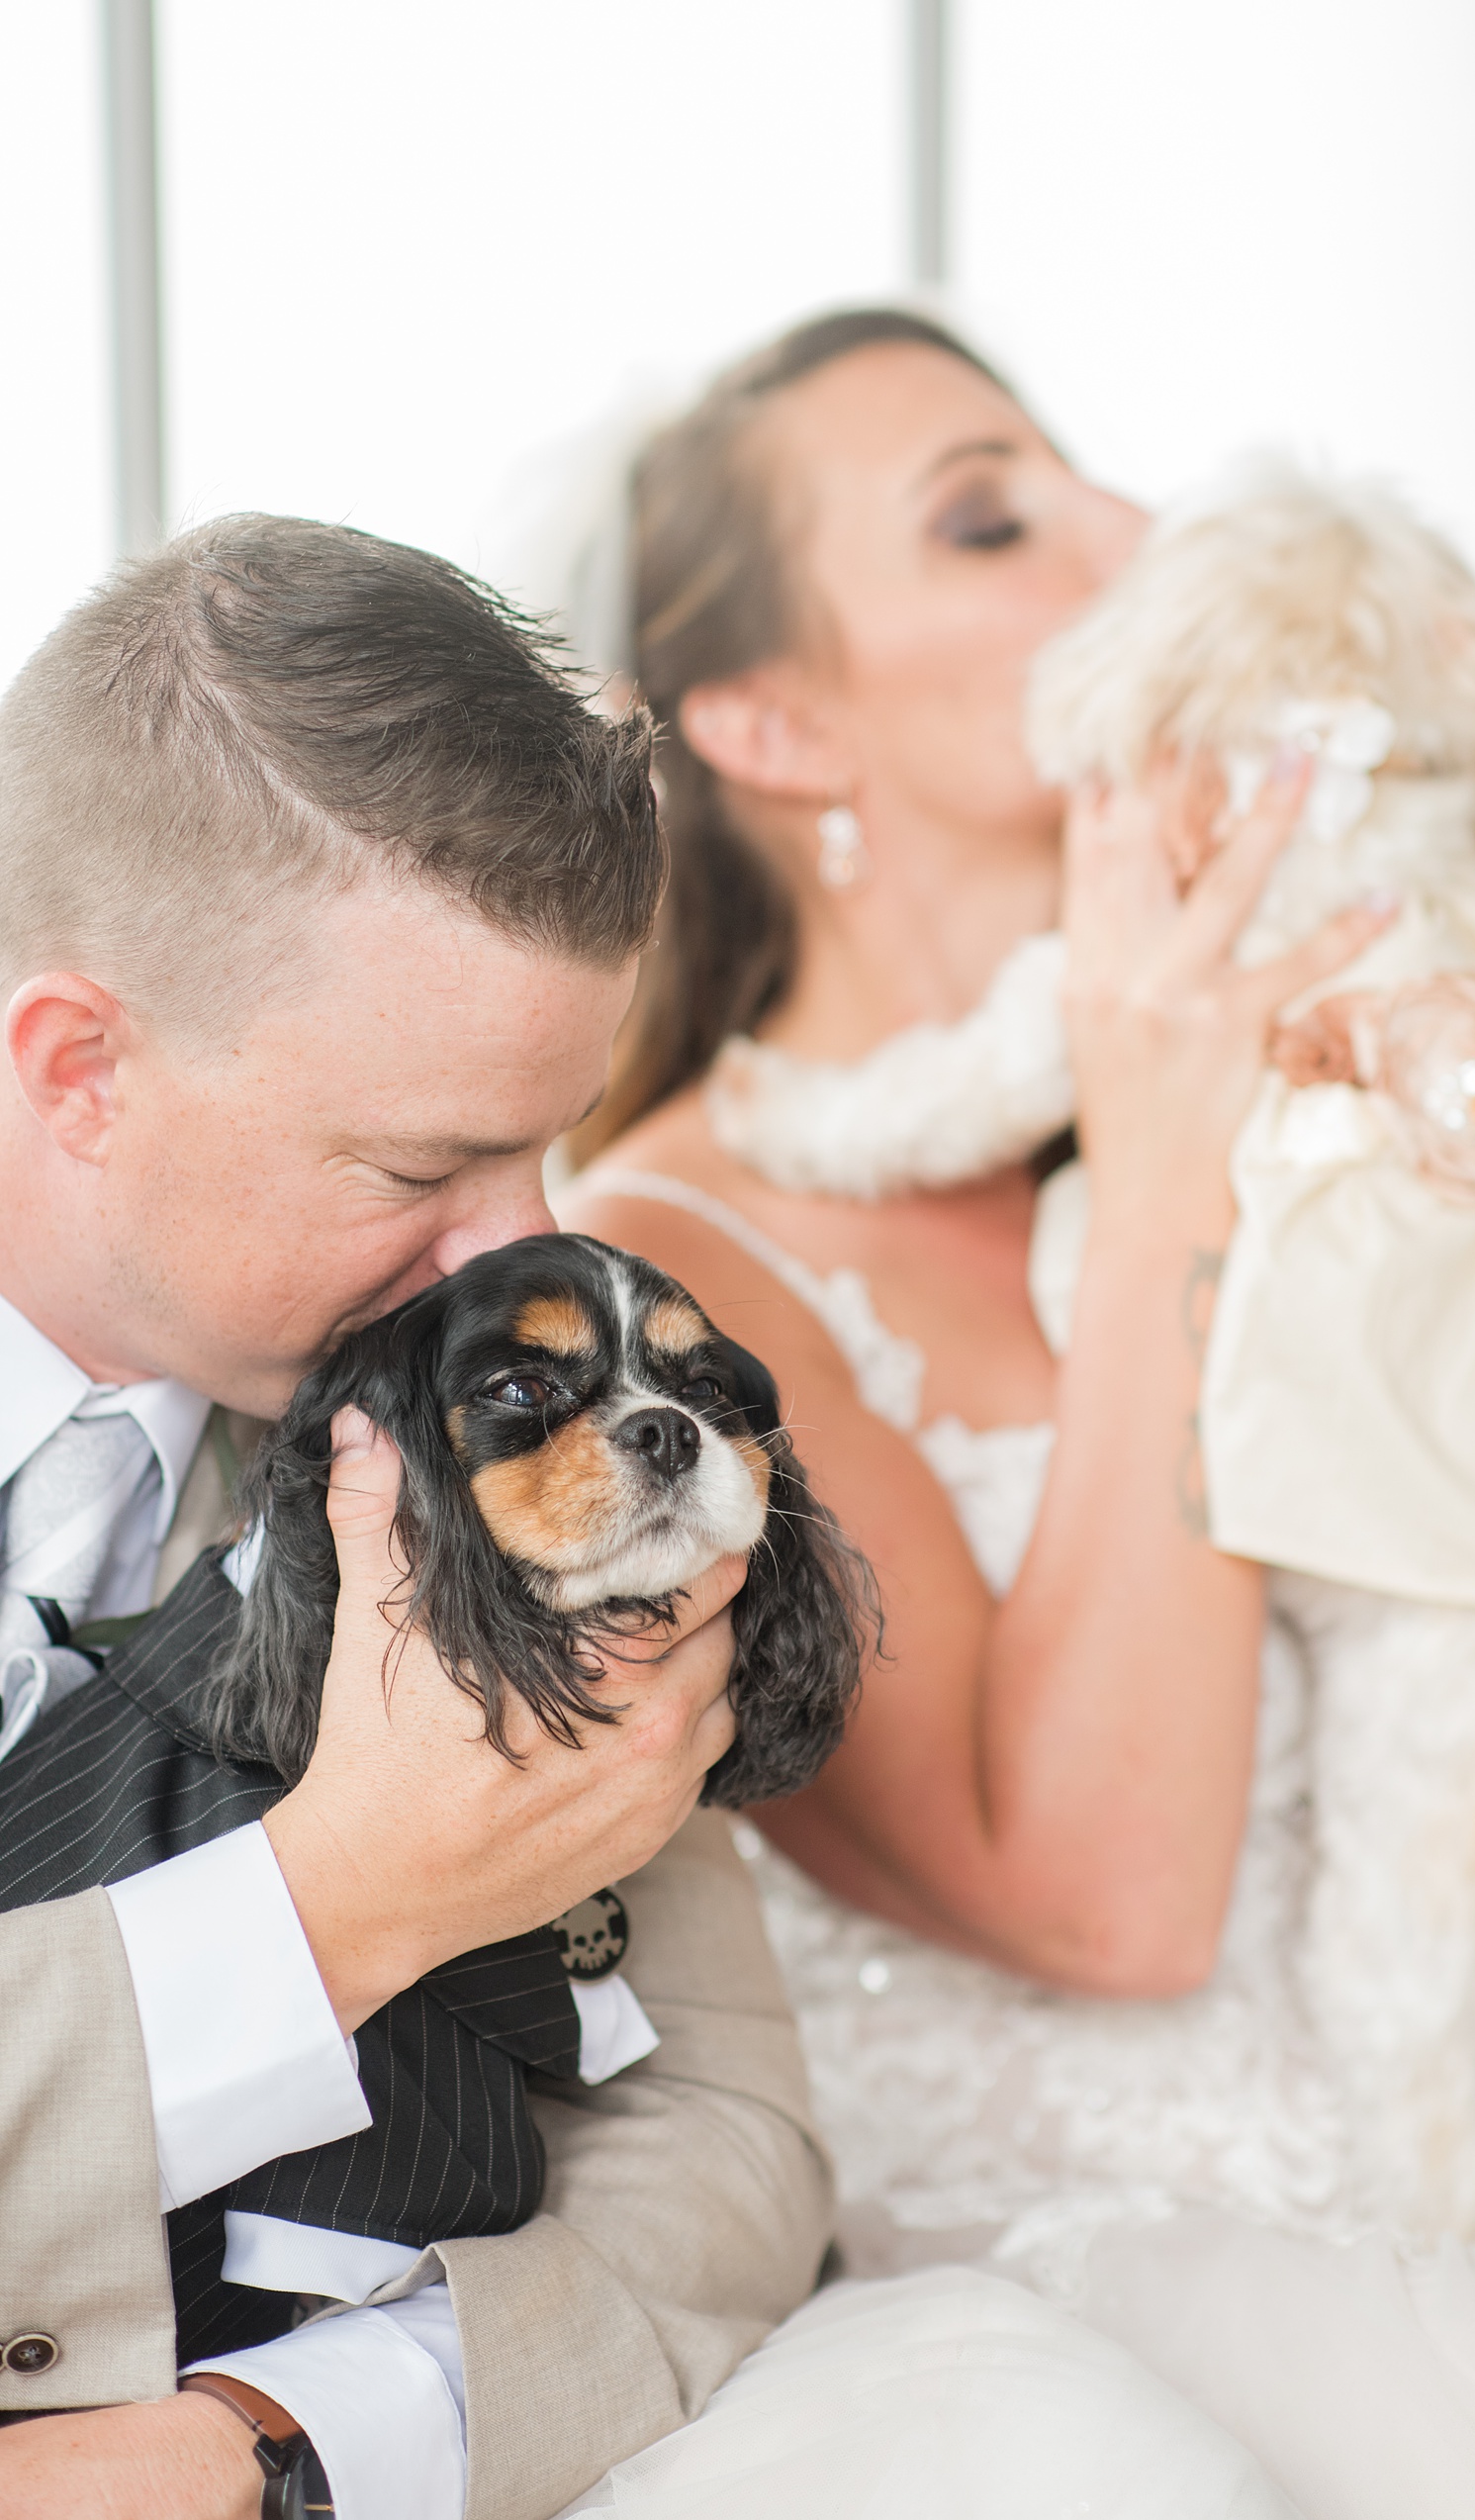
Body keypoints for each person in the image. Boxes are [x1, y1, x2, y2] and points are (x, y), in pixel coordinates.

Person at [0, 512, 1291, 2520]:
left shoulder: (458, 1428)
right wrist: (339, 1899)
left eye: (549, 1144)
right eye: (423, 1161)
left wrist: (302, 2445)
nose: (517, 1248)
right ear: (78, 1067)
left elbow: (728, 2129)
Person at [552, 308, 1475, 2520]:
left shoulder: (1320, 1074)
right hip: (1115, 2322)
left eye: (1091, 477)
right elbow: (1106, 1898)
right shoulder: (664, 1269)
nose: (1138, 534)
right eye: (990, 517)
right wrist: (1168, 1150)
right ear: (775, 723)